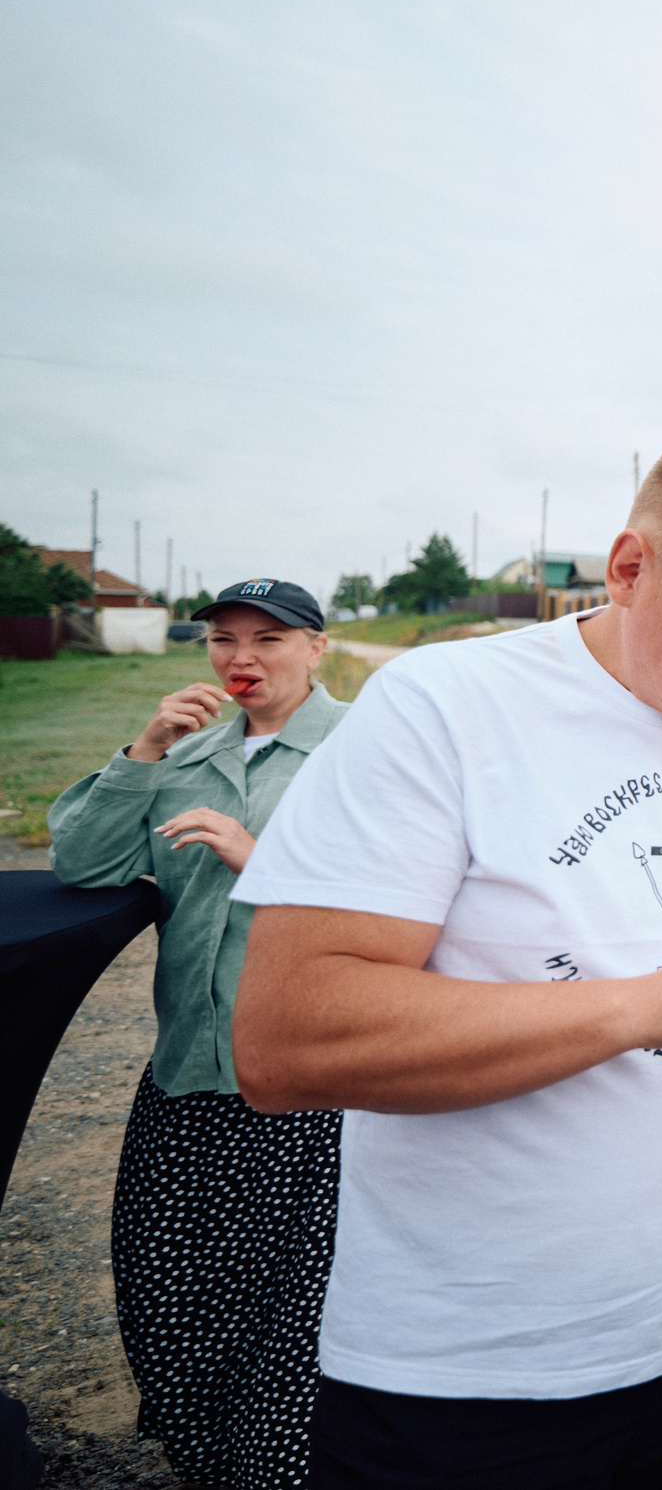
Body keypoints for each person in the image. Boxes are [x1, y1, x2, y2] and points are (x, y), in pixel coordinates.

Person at [229, 435, 662, 1490]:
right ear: (630, 567)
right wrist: (651, 1002)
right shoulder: (442, 707)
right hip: (470, 1374)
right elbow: (287, 1037)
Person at [47, 577, 349, 1490]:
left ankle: (281, 1467)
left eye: (269, 638)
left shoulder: (365, 752)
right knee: (172, 1293)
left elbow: (415, 908)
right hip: (189, 1073)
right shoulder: (187, 756)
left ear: (317, 648)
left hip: (311, 1080)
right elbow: (86, 865)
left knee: (299, 1310)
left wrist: (263, 864)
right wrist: (144, 750)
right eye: (223, 639)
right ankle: (213, 1457)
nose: (242, 658)